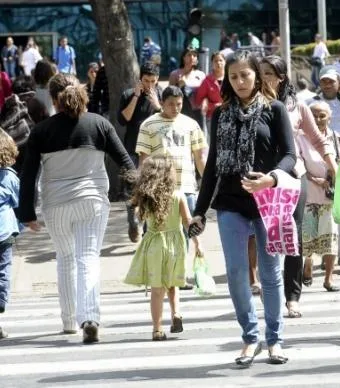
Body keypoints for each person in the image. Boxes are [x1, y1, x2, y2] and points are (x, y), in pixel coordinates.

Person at [191, 50, 295, 365]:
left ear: (257, 75)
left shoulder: (275, 110)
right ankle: (250, 337)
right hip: (230, 203)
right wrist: (199, 210)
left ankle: (274, 339)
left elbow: (291, 156)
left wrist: (271, 178)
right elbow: (211, 168)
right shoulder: (220, 114)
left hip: (268, 201)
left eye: (245, 75)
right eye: (233, 77)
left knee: (270, 272)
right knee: (237, 273)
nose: (239, 81)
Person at [18, 73, 135, 344]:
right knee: (88, 258)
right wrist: (143, 195)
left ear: (54, 98)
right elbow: (126, 164)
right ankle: (90, 318)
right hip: (92, 202)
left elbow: (29, 174)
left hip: (56, 205)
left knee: (66, 258)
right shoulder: (99, 124)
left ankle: (69, 321)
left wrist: (27, 213)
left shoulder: (41, 131)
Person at [260, 55, 338, 317]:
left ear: (281, 78)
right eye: (260, 73)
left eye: (269, 73)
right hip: (262, 179)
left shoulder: (298, 107)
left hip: (294, 176)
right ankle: (269, 287)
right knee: (267, 236)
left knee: (294, 235)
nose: (264, 79)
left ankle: (292, 296)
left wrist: (332, 166)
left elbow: (318, 139)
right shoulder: (251, 105)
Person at [135, 85, 208, 288]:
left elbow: (200, 156)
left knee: (185, 230)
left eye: (179, 104)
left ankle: (179, 275)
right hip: (159, 187)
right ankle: (155, 273)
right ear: (162, 103)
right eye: (170, 104)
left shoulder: (191, 124)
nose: (175, 108)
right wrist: (142, 189)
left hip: (186, 185)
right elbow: (144, 159)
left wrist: (209, 185)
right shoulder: (149, 125)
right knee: (157, 231)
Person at [125, 156, 190, 340]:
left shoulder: (147, 198)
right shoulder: (178, 196)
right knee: (173, 282)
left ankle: (157, 329)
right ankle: (176, 313)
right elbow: (187, 222)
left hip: (154, 245)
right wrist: (198, 243)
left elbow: (137, 216)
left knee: (157, 290)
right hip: (175, 245)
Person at [308, 66, 340, 270]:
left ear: (338, 82)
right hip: (317, 160)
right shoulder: (311, 103)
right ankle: (323, 253)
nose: (327, 84)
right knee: (319, 208)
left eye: (331, 81)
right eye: (324, 80)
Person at [118, 62, 163, 242]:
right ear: (140, 79)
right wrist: (136, 96)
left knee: (151, 190)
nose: (150, 85)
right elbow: (124, 119)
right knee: (133, 189)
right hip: (133, 149)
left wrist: (157, 105)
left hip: (155, 150)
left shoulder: (160, 95)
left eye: (153, 81)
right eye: (146, 81)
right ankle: (133, 221)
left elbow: (169, 119)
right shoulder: (128, 94)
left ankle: (146, 230)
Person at [300, 101, 340, 292]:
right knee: (308, 237)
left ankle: (329, 278)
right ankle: (308, 264)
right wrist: (315, 179)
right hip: (308, 195)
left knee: (331, 238)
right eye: (314, 115)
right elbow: (297, 164)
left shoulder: (335, 138)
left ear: (329, 117)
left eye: (322, 115)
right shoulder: (300, 138)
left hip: (330, 198)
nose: (317, 119)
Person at [0, 129, 19, 339]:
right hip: (4, 232)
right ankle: (0, 301)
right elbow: (17, 202)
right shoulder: (10, 177)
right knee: (3, 268)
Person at [169, 48, 206, 129]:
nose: (192, 57)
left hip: (197, 112)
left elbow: (205, 94)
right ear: (183, 57)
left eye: (194, 55)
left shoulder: (201, 75)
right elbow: (169, 95)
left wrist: (205, 103)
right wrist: (179, 85)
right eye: (189, 55)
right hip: (181, 112)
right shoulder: (175, 74)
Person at [195, 51, 226, 139]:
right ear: (212, 63)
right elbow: (198, 100)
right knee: (215, 143)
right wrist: (212, 105)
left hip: (230, 115)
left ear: (225, 62)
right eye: (215, 61)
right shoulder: (207, 81)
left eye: (221, 60)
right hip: (213, 117)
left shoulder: (230, 79)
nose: (218, 63)